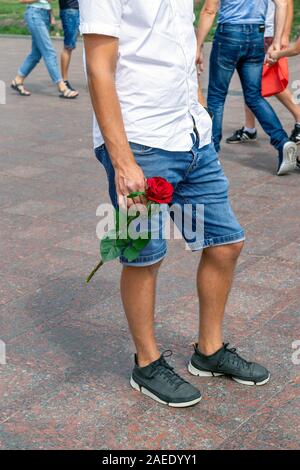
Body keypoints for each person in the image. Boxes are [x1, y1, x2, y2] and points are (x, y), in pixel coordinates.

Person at [79, 0, 270, 408]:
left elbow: (183, 47)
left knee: (223, 242)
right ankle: (146, 364)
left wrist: (198, 105)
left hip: (191, 135)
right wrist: (123, 160)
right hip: (142, 140)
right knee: (145, 256)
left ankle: (209, 351)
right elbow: (98, 66)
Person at [197, 0, 298, 176]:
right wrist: (276, 40)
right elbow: (282, 3)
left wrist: (198, 46)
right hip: (256, 35)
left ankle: (211, 154)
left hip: (229, 33)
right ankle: (282, 142)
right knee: (254, 96)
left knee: (216, 97)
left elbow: (209, 10)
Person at [227, 0, 300, 147]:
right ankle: (249, 128)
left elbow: (288, 3)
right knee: (250, 81)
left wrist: (284, 35)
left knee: (269, 82)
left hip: (271, 34)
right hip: (253, 30)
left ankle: (299, 117)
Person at [11, 0, 78, 99]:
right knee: (49, 52)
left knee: (36, 54)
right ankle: (62, 88)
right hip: (35, 14)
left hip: (44, 15)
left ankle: (18, 80)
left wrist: (51, 14)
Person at [59, 0, 80, 92]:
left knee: (70, 46)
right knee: (68, 46)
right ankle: (64, 80)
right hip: (70, 10)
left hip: (77, 10)